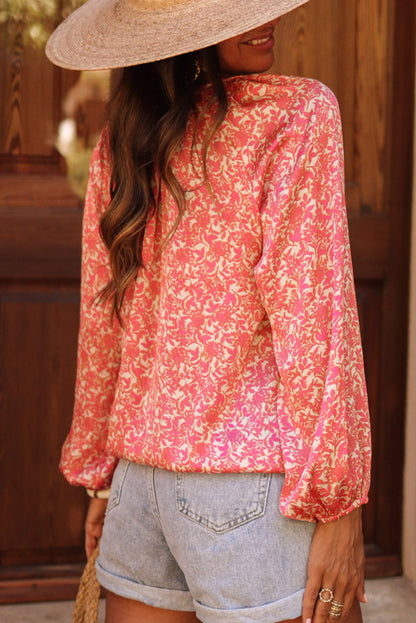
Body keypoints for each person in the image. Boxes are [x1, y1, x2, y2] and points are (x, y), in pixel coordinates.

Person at [46, 1, 372, 623]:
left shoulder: (123, 139)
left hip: (139, 485)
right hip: (250, 491)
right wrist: (339, 504)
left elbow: (102, 328)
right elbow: (315, 324)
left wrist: (102, 475)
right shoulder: (295, 115)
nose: (264, 16)